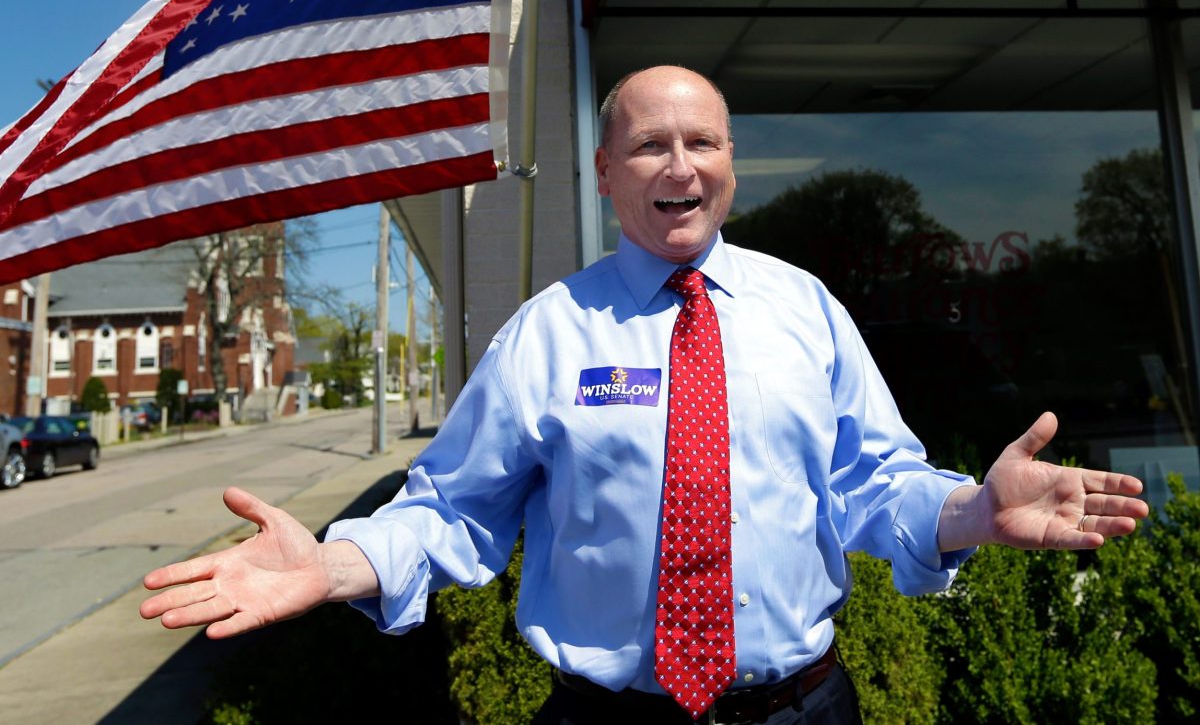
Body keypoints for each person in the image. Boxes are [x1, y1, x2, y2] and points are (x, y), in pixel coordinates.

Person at [141, 66, 1148, 724]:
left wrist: (976, 509)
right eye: (651, 146)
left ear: (731, 166)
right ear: (607, 173)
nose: (681, 167)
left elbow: (874, 485)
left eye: (703, 143)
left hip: (805, 710)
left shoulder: (806, 309)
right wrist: (335, 564)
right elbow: (451, 510)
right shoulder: (547, 332)